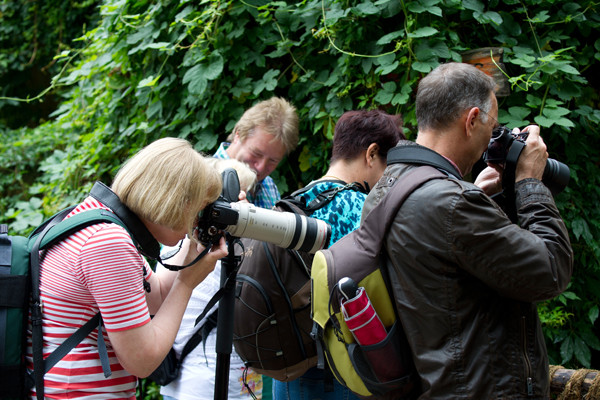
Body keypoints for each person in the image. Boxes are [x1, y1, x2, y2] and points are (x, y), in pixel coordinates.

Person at [361, 62, 574, 398]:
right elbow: (550, 269)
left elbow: (449, 270)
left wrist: (473, 193)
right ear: (472, 119)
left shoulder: (388, 187)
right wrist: (530, 181)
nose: (492, 135)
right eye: (492, 125)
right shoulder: (452, 204)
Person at [25, 137, 228, 399]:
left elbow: (156, 297)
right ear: (177, 202)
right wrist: (187, 283)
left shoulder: (95, 220)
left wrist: (195, 247)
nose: (197, 221)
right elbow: (142, 361)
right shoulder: (107, 243)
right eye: (199, 210)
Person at [272, 109, 405, 399]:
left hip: (288, 369)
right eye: (387, 166)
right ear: (371, 154)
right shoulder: (361, 207)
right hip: (339, 373)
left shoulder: (292, 203)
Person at [160, 158, 263, 400]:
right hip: (215, 382)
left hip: (183, 378)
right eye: (239, 198)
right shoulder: (226, 250)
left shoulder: (176, 242)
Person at [214, 96, 299, 209]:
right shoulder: (205, 177)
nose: (260, 168)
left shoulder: (269, 186)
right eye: (256, 154)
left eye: (272, 161)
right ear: (238, 135)